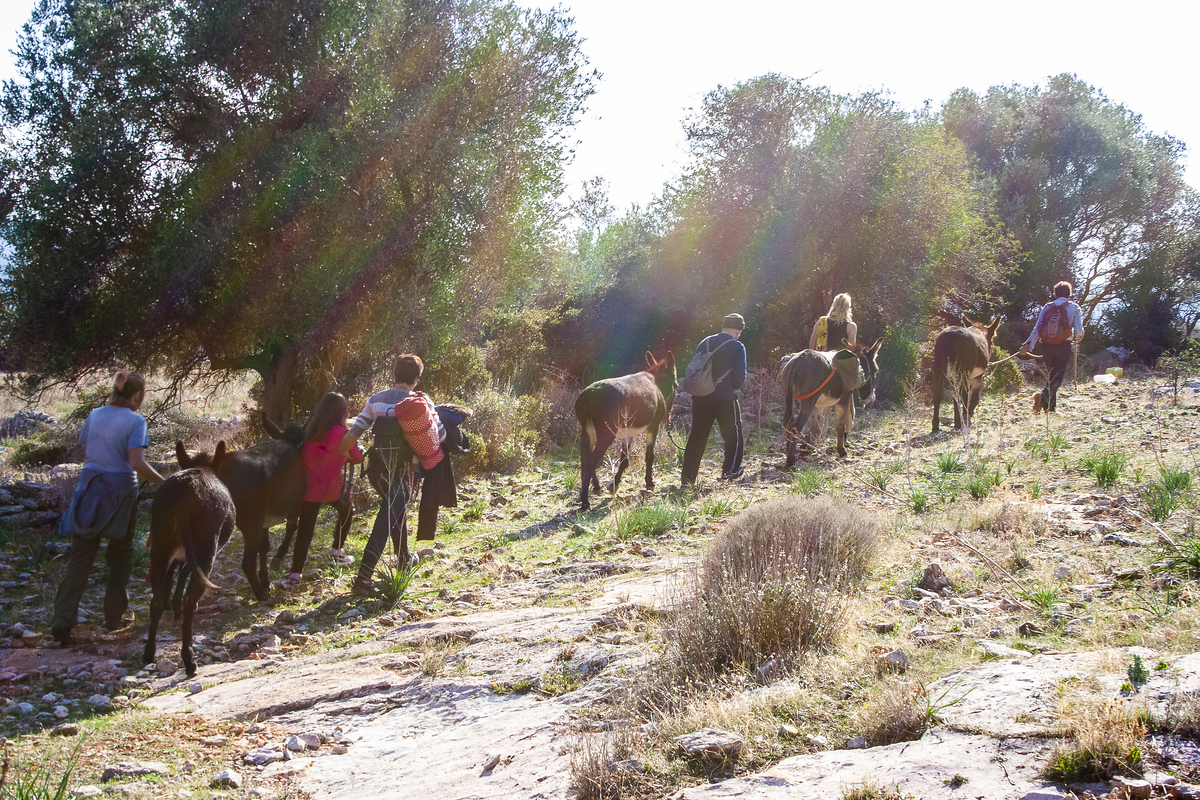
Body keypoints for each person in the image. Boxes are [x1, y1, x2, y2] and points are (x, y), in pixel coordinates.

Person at [52, 371, 165, 645]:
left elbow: (86, 449)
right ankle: (114, 617)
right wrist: (165, 482)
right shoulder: (136, 421)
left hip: (88, 488)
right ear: (137, 395)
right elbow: (136, 462)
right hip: (121, 493)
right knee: (120, 555)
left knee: (80, 557)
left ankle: (62, 621)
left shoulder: (95, 414)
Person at [339, 354, 447, 594]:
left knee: (395, 513)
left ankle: (404, 559)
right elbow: (439, 435)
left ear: (394, 375)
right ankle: (363, 579)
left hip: (378, 471)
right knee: (386, 520)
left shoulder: (375, 400)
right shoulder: (421, 401)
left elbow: (355, 431)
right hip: (407, 472)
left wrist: (343, 453)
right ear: (416, 379)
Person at [281, 392, 364, 587]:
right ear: (342, 411)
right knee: (346, 511)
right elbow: (358, 457)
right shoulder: (342, 433)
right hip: (330, 486)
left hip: (308, 487)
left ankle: (295, 573)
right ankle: (336, 552)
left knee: (306, 529)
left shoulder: (310, 429)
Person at [681, 313, 747, 485]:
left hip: (701, 395)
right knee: (732, 433)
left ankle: (687, 479)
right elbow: (740, 377)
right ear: (736, 329)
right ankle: (730, 471)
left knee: (697, 436)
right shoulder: (737, 346)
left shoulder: (705, 342)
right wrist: (731, 388)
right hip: (725, 397)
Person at [1018, 280, 1085, 413]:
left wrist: (1027, 345)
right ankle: (1043, 397)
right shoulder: (1074, 308)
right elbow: (1078, 331)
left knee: (1051, 376)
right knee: (1057, 378)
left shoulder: (1048, 307)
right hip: (1063, 346)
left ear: (1055, 293)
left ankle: (1050, 408)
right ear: (1069, 293)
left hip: (1047, 346)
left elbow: (1037, 328)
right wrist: (1076, 338)